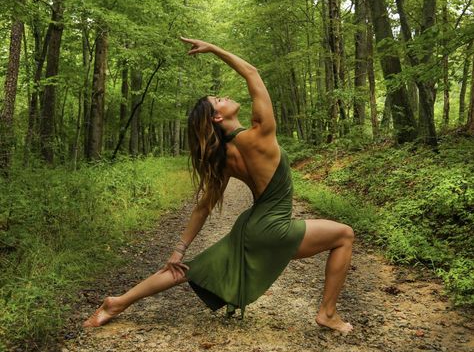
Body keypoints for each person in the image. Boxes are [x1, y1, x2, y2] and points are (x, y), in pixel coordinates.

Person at [83, 37, 354, 333]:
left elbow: (203, 207)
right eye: (218, 99)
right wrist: (213, 48)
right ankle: (327, 313)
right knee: (344, 235)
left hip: (249, 227)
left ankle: (117, 302)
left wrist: (179, 250)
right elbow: (252, 73)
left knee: (186, 270)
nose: (223, 96)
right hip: (272, 228)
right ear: (218, 116)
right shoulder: (260, 133)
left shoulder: (223, 159)